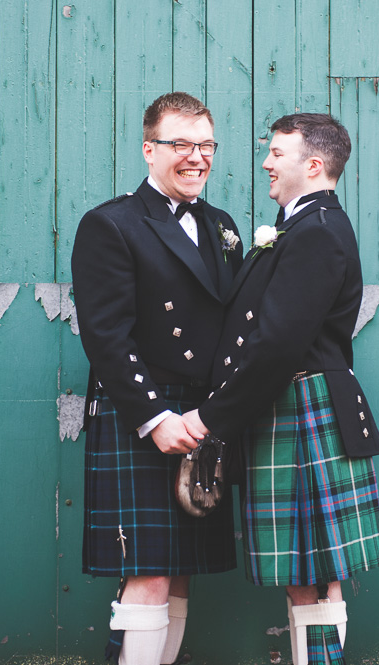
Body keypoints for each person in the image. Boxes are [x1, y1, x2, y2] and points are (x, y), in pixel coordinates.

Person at [184, 113, 379, 665]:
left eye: (278, 153)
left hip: (302, 406)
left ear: (314, 164)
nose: (267, 163)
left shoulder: (317, 232)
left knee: (317, 574)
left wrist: (212, 417)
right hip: (287, 406)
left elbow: (277, 343)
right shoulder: (300, 226)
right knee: (304, 572)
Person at [71, 92, 244, 665]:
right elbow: (105, 335)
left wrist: (215, 413)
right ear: (150, 150)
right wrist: (153, 418)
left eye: (206, 145)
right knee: (146, 575)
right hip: (144, 414)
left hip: (200, 416)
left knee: (179, 574)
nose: (197, 158)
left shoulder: (221, 225)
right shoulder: (111, 224)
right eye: (181, 145)